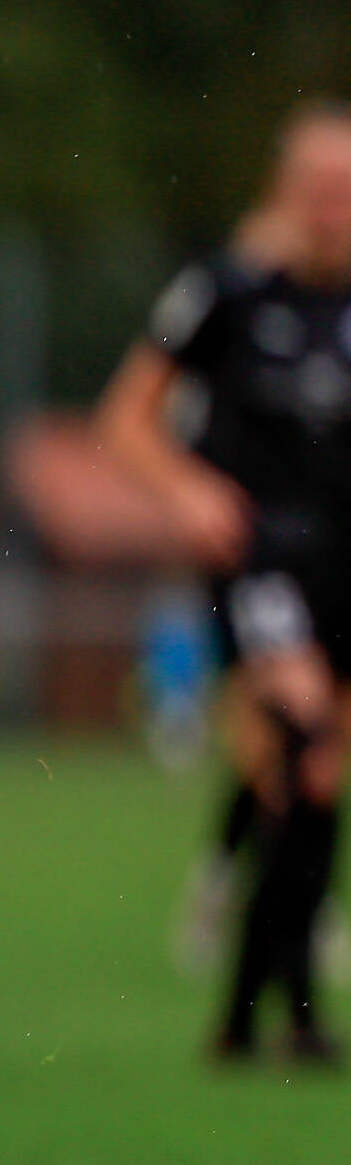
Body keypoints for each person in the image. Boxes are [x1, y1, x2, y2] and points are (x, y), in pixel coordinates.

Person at [98, 101, 351, 1065]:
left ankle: (262, 1014)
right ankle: (281, 1019)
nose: (333, 209)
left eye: (347, 192)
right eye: (317, 190)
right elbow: (124, 419)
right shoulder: (229, 293)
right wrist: (186, 490)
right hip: (263, 557)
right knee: (298, 732)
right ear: (284, 194)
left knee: (316, 781)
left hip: (347, 563)